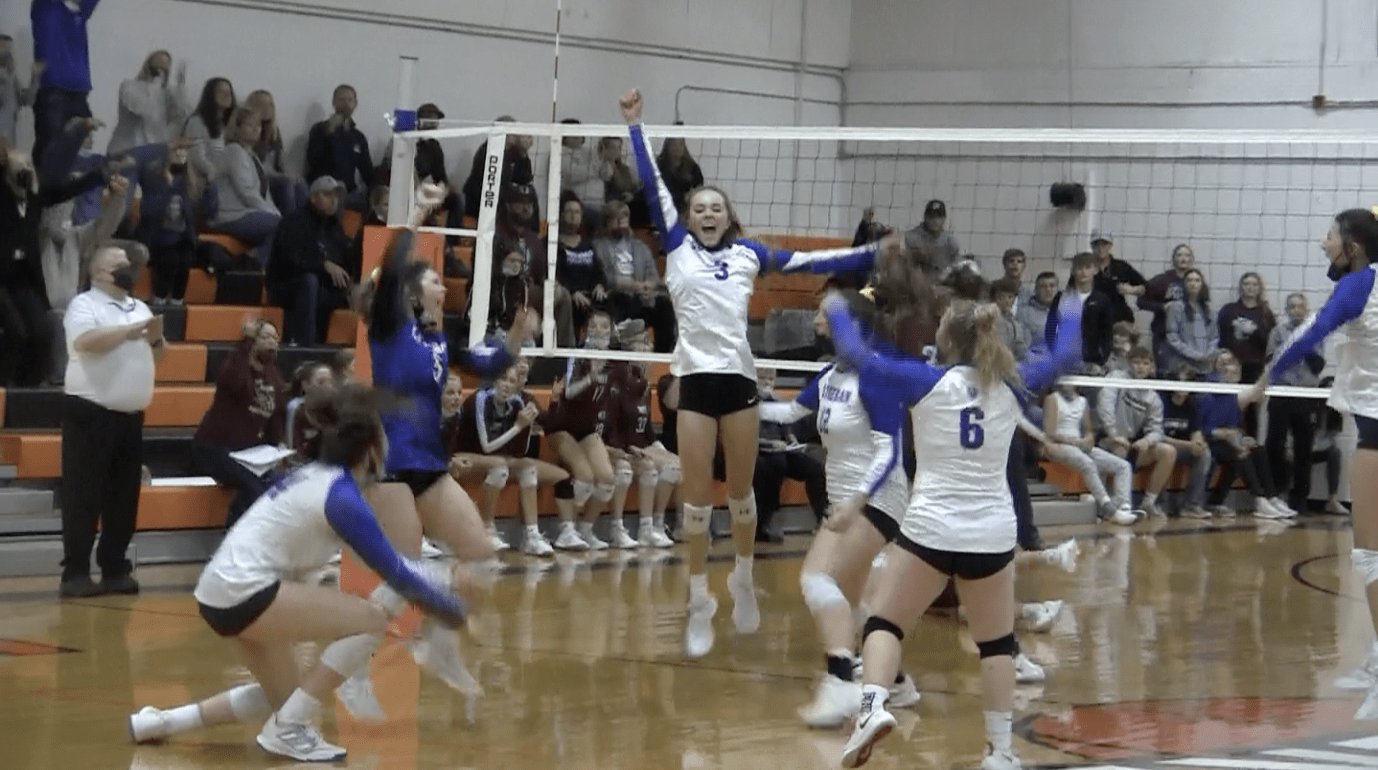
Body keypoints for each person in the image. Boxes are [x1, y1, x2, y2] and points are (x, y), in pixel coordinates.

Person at [621, 87, 892, 657]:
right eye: (700, 208)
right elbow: (653, 184)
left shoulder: (749, 254)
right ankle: (700, 598)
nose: (707, 214)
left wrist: (872, 254)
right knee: (698, 503)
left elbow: (815, 261)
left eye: (715, 207)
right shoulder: (676, 246)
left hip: (740, 384)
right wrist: (636, 127)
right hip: (695, 384)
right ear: (689, 217)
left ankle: (742, 578)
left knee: (742, 495)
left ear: (728, 216)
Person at [126, 385, 471, 762]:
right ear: (370, 447)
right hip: (246, 590)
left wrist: (429, 586)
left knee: (288, 698)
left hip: (218, 592)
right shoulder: (340, 495)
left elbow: (394, 570)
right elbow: (397, 574)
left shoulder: (316, 477)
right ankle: (288, 728)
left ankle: (161, 722)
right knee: (372, 621)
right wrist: (450, 608)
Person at [832, 293, 1082, 770]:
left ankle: (871, 708)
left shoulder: (924, 379)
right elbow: (1067, 352)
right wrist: (1069, 307)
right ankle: (1000, 752)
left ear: (944, 339)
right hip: (990, 535)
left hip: (930, 530)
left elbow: (855, 354)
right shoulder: (1015, 383)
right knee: (997, 645)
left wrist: (837, 307)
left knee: (885, 624)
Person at [355, 182, 532, 692]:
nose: (442, 285)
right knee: (403, 576)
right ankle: (349, 667)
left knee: (479, 553)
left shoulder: (438, 338)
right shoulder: (389, 327)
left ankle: (441, 647)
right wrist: (417, 212)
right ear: (414, 293)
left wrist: (516, 337)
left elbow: (488, 365)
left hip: (429, 463)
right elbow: (391, 266)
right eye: (435, 280)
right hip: (390, 464)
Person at [756, 289, 919, 728]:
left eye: (824, 315)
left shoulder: (875, 375)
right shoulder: (831, 374)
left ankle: (841, 685)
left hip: (876, 498)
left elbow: (889, 452)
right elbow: (790, 412)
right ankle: (897, 682)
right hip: (847, 498)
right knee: (853, 600)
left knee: (818, 578)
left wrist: (855, 502)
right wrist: (741, 405)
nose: (816, 322)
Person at [1243, 208, 1378, 716]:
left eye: (1330, 237)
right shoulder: (1365, 280)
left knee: (1370, 553)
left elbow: (1310, 333)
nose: (1324, 244)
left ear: (1353, 246)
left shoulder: (1360, 284)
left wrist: (1264, 380)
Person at [59, 244, 165, 597]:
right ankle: (75, 572)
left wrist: (156, 339)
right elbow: (85, 342)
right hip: (90, 411)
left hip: (130, 415)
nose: (127, 268)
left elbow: (158, 356)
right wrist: (130, 332)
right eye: (119, 264)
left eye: (129, 264)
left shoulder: (140, 307)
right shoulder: (84, 304)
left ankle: (115, 566)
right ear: (99, 272)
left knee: (124, 496)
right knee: (84, 494)